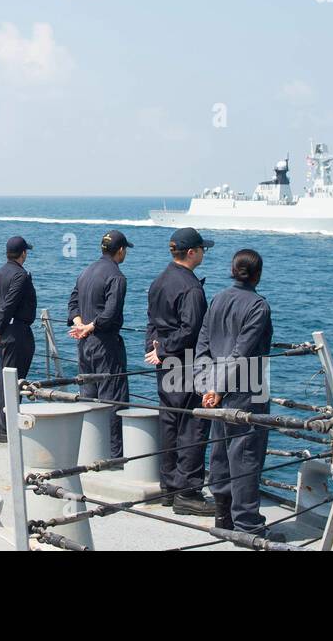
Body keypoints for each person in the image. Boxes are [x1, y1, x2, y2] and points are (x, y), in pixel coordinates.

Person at [195, 249, 275, 538]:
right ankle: (248, 525)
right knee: (245, 454)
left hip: (214, 386)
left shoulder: (217, 299)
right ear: (258, 273)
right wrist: (218, 387)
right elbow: (242, 351)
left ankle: (223, 516)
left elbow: (203, 343)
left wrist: (207, 385)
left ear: (232, 269)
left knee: (219, 451)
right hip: (246, 388)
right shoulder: (258, 306)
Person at [146, 227, 215, 514]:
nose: (204, 253)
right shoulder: (192, 288)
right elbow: (192, 331)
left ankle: (169, 488)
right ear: (191, 252)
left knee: (170, 423)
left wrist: (155, 351)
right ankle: (188, 492)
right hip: (186, 364)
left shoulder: (159, 281)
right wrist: (164, 351)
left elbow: (152, 322)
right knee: (193, 425)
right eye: (202, 249)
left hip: (165, 364)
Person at [67, 230, 136, 460]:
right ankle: (113, 455)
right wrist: (91, 326)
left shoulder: (86, 271)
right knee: (113, 398)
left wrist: (80, 324)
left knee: (87, 394)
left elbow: (73, 302)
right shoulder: (117, 276)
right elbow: (111, 312)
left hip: (84, 343)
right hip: (105, 344)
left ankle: (89, 448)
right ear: (121, 250)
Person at [0, 236, 37, 443]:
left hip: (4, 332)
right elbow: (10, 304)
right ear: (23, 253)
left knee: (7, 380)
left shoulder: (0, 272)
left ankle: (6, 428)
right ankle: (7, 429)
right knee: (14, 383)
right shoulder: (20, 276)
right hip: (17, 332)